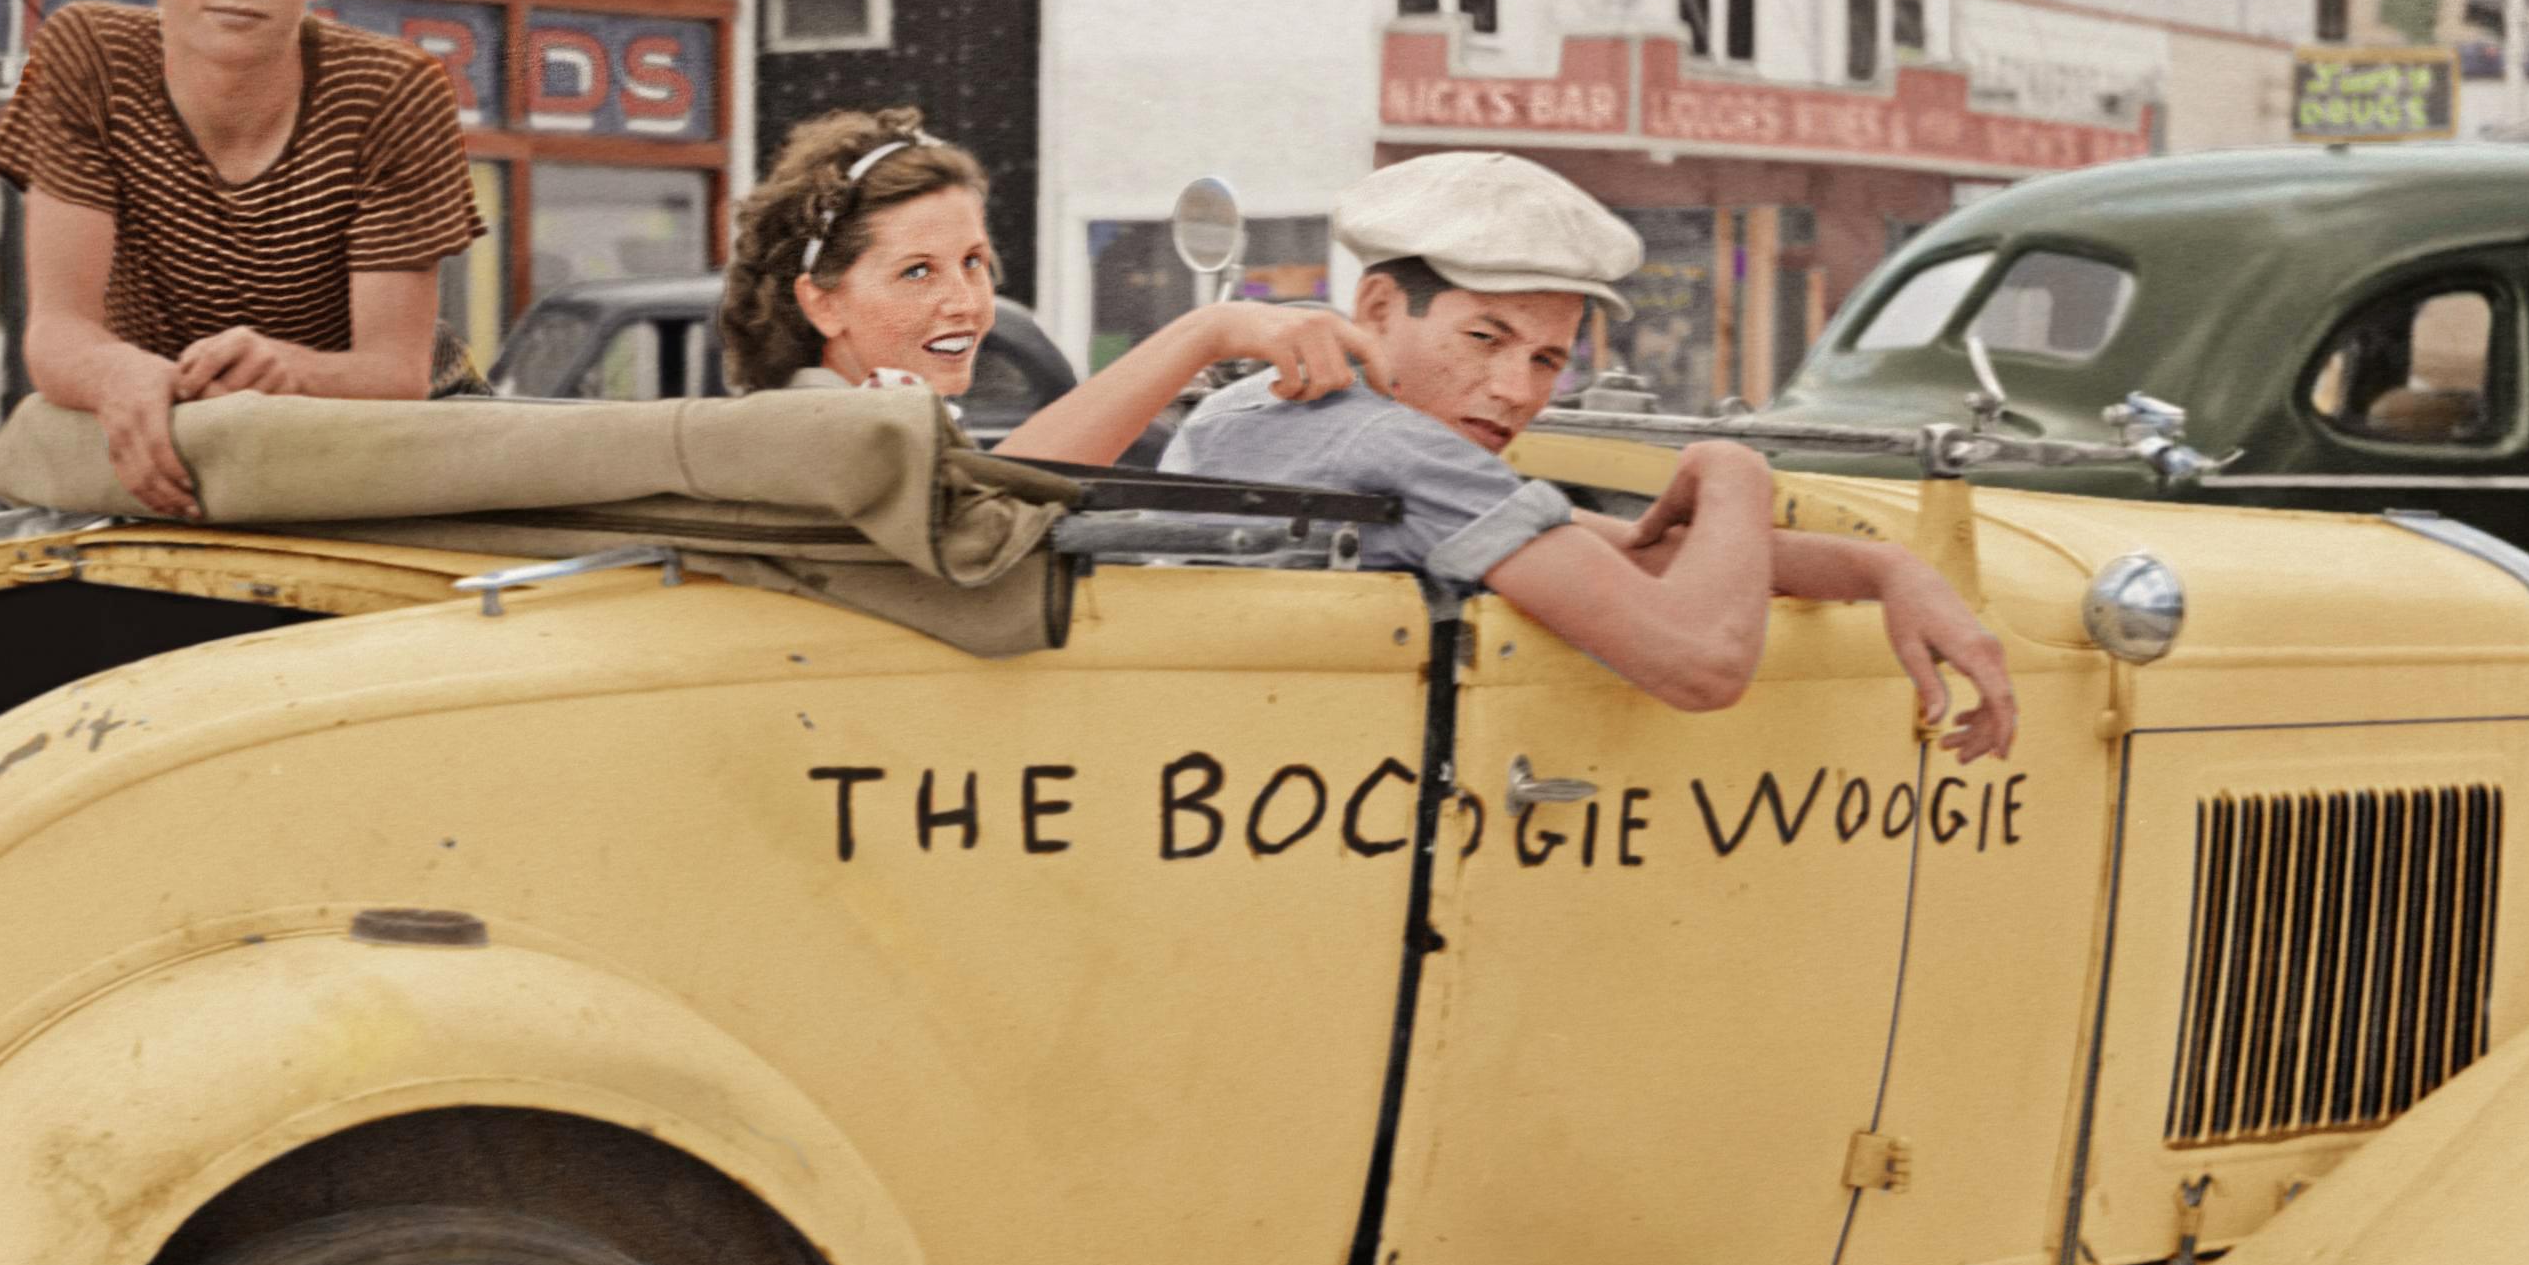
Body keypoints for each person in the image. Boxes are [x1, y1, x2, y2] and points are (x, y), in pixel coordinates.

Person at [1159, 151, 2013, 751]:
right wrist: (1734, 469)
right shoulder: (1406, 449)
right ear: (1378, 309)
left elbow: (1630, 552)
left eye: (1544, 359)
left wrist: (1886, 571)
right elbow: (1703, 664)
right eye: (1484, 337)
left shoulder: (1258, 410)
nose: (1513, 390)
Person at [0, 0, 483, 519]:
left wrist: (289, 369)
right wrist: (119, 376)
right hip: (173, 444)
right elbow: (57, 331)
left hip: (395, 458)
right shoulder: (83, 52)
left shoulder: (395, 90)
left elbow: (396, 372)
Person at [716, 108, 1359, 441]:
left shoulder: (852, 412)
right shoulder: (837, 428)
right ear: (823, 304)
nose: (963, 302)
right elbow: (999, 513)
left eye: (973, 263)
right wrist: (1208, 331)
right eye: (917, 273)